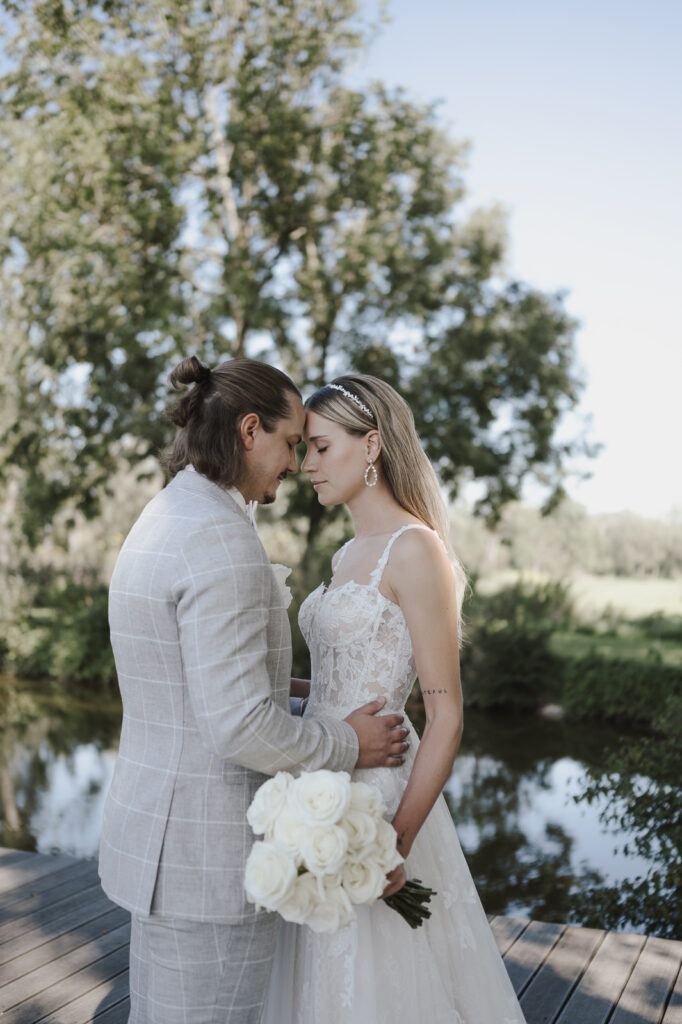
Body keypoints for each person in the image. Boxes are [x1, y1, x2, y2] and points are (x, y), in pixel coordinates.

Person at [98, 357, 410, 1024]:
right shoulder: (221, 540)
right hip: (209, 865)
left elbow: (191, 681)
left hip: (162, 849)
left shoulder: (166, 515)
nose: (296, 464)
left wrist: (303, 690)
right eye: (293, 443)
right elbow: (239, 726)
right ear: (249, 431)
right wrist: (346, 740)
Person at [263, 374, 526, 1024]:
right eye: (305, 449)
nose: (306, 464)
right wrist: (259, 691)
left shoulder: (415, 551)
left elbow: (446, 714)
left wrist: (394, 842)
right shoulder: (349, 553)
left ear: (372, 444)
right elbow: (332, 685)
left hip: (377, 801)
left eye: (322, 447)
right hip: (315, 789)